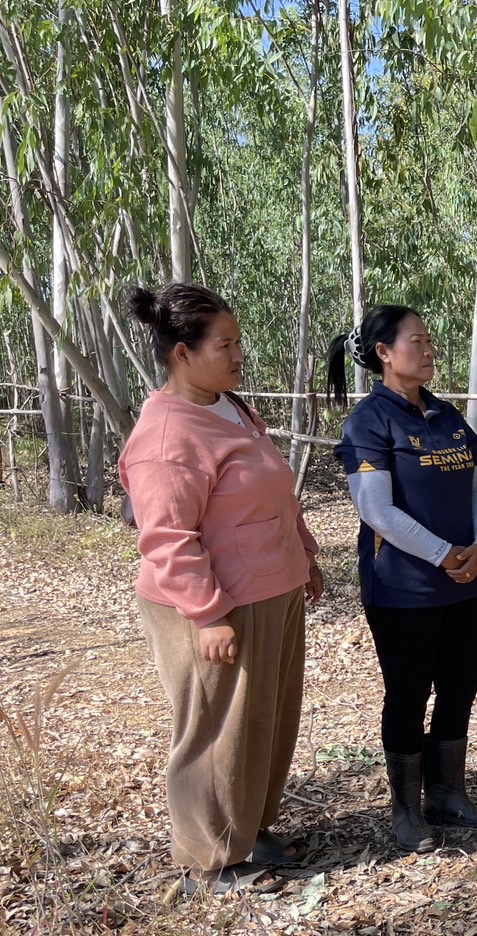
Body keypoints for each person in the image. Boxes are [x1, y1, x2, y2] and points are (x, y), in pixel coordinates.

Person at [119, 282, 323, 896]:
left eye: (238, 342)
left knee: (265, 718)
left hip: (271, 588)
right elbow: (167, 537)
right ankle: (210, 858)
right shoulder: (166, 437)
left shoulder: (230, 406)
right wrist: (207, 614)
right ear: (182, 354)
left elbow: (273, 491)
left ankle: (248, 829)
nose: (238, 355)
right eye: (224, 345)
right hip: (218, 603)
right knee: (217, 727)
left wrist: (304, 555)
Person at [329, 305, 477, 851]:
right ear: (384, 353)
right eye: (416, 341)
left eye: (429, 341)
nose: (428, 350)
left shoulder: (447, 415)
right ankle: (406, 809)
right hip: (402, 587)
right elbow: (375, 509)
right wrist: (443, 554)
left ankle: (446, 793)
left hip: (462, 579)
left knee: (461, 682)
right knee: (407, 692)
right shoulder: (369, 421)